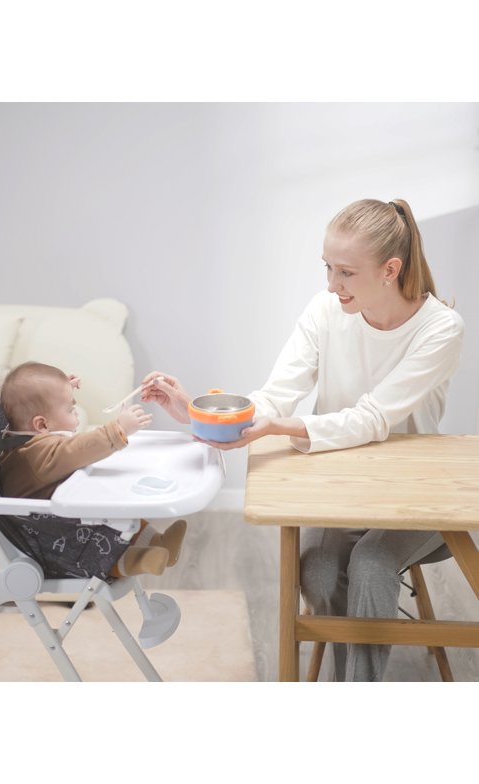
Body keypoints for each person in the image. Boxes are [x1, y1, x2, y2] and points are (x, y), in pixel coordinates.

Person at [141, 198, 465, 681]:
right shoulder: (325, 311)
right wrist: (198, 415)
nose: (331, 285)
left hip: (417, 496)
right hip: (340, 484)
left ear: (390, 270)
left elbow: (373, 418)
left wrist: (279, 429)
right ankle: (350, 679)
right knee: (314, 570)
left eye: (346, 272)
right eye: (328, 268)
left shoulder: (440, 328)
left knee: (373, 564)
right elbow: (276, 397)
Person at [0, 361, 187, 579]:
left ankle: (158, 542)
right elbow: (77, 449)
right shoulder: (36, 455)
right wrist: (120, 429)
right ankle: (137, 560)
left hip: (61, 520)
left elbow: (47, 424)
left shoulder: (29, 442)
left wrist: (59, 392)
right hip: (55, 539)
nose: (77, 414)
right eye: (71, 409)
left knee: (117, 510)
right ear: (41, 425)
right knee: (108, 520)